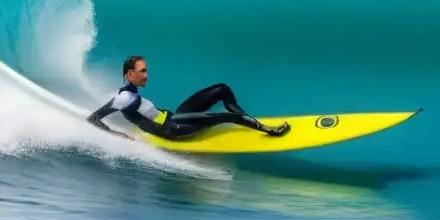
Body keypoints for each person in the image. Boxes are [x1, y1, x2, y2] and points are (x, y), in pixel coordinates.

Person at [86, 55, 290, 141]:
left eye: (146, 70)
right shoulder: (124, 99)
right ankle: (268, 130)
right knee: (226, 117)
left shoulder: (129, 94)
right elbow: (93, 119)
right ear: (129, 74)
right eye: (142, 71)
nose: (146, 75)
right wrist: (117, 136)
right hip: (173, 129)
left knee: (221, 89)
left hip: (173, 118)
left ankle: (246, 118)